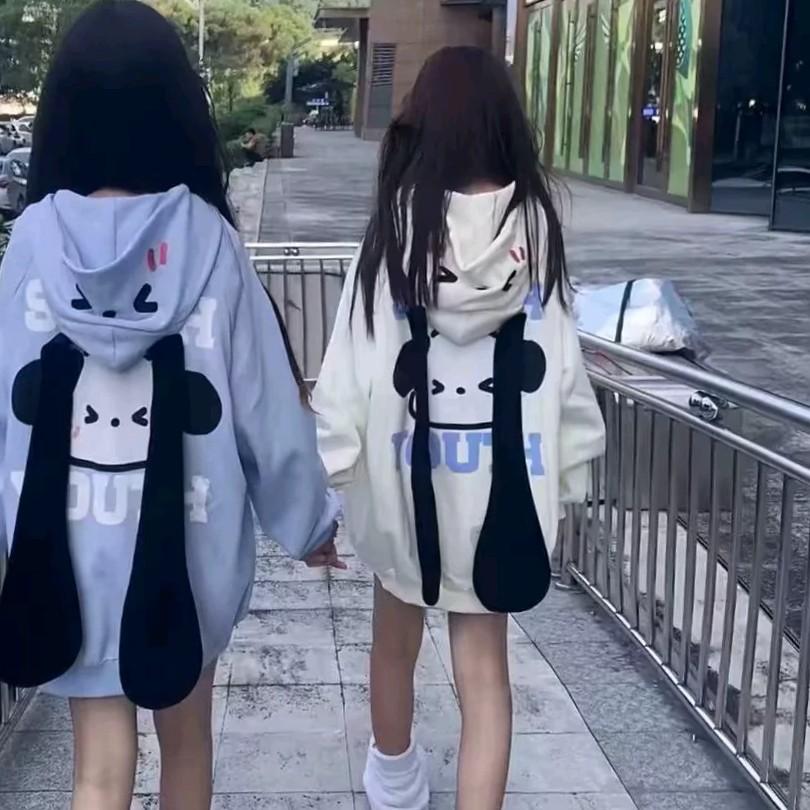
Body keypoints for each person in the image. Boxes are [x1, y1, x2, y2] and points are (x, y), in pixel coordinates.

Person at [0, 3, 339, 810]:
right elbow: (263, 405)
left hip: (64, 555)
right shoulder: (210, 243)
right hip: (189, 556)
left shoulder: (32, 244)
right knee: (187, 743)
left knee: (97, 768)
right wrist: (309, 521)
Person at [313, 46, 606, 810]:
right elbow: (563, 367)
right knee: (484, 673)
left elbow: (349, 364)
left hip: (402, 490)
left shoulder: (397, 229)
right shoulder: (535, 230)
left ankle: (395, 782)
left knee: (393, 644)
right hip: (505, 489)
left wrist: (336, 474)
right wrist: (569, 473)